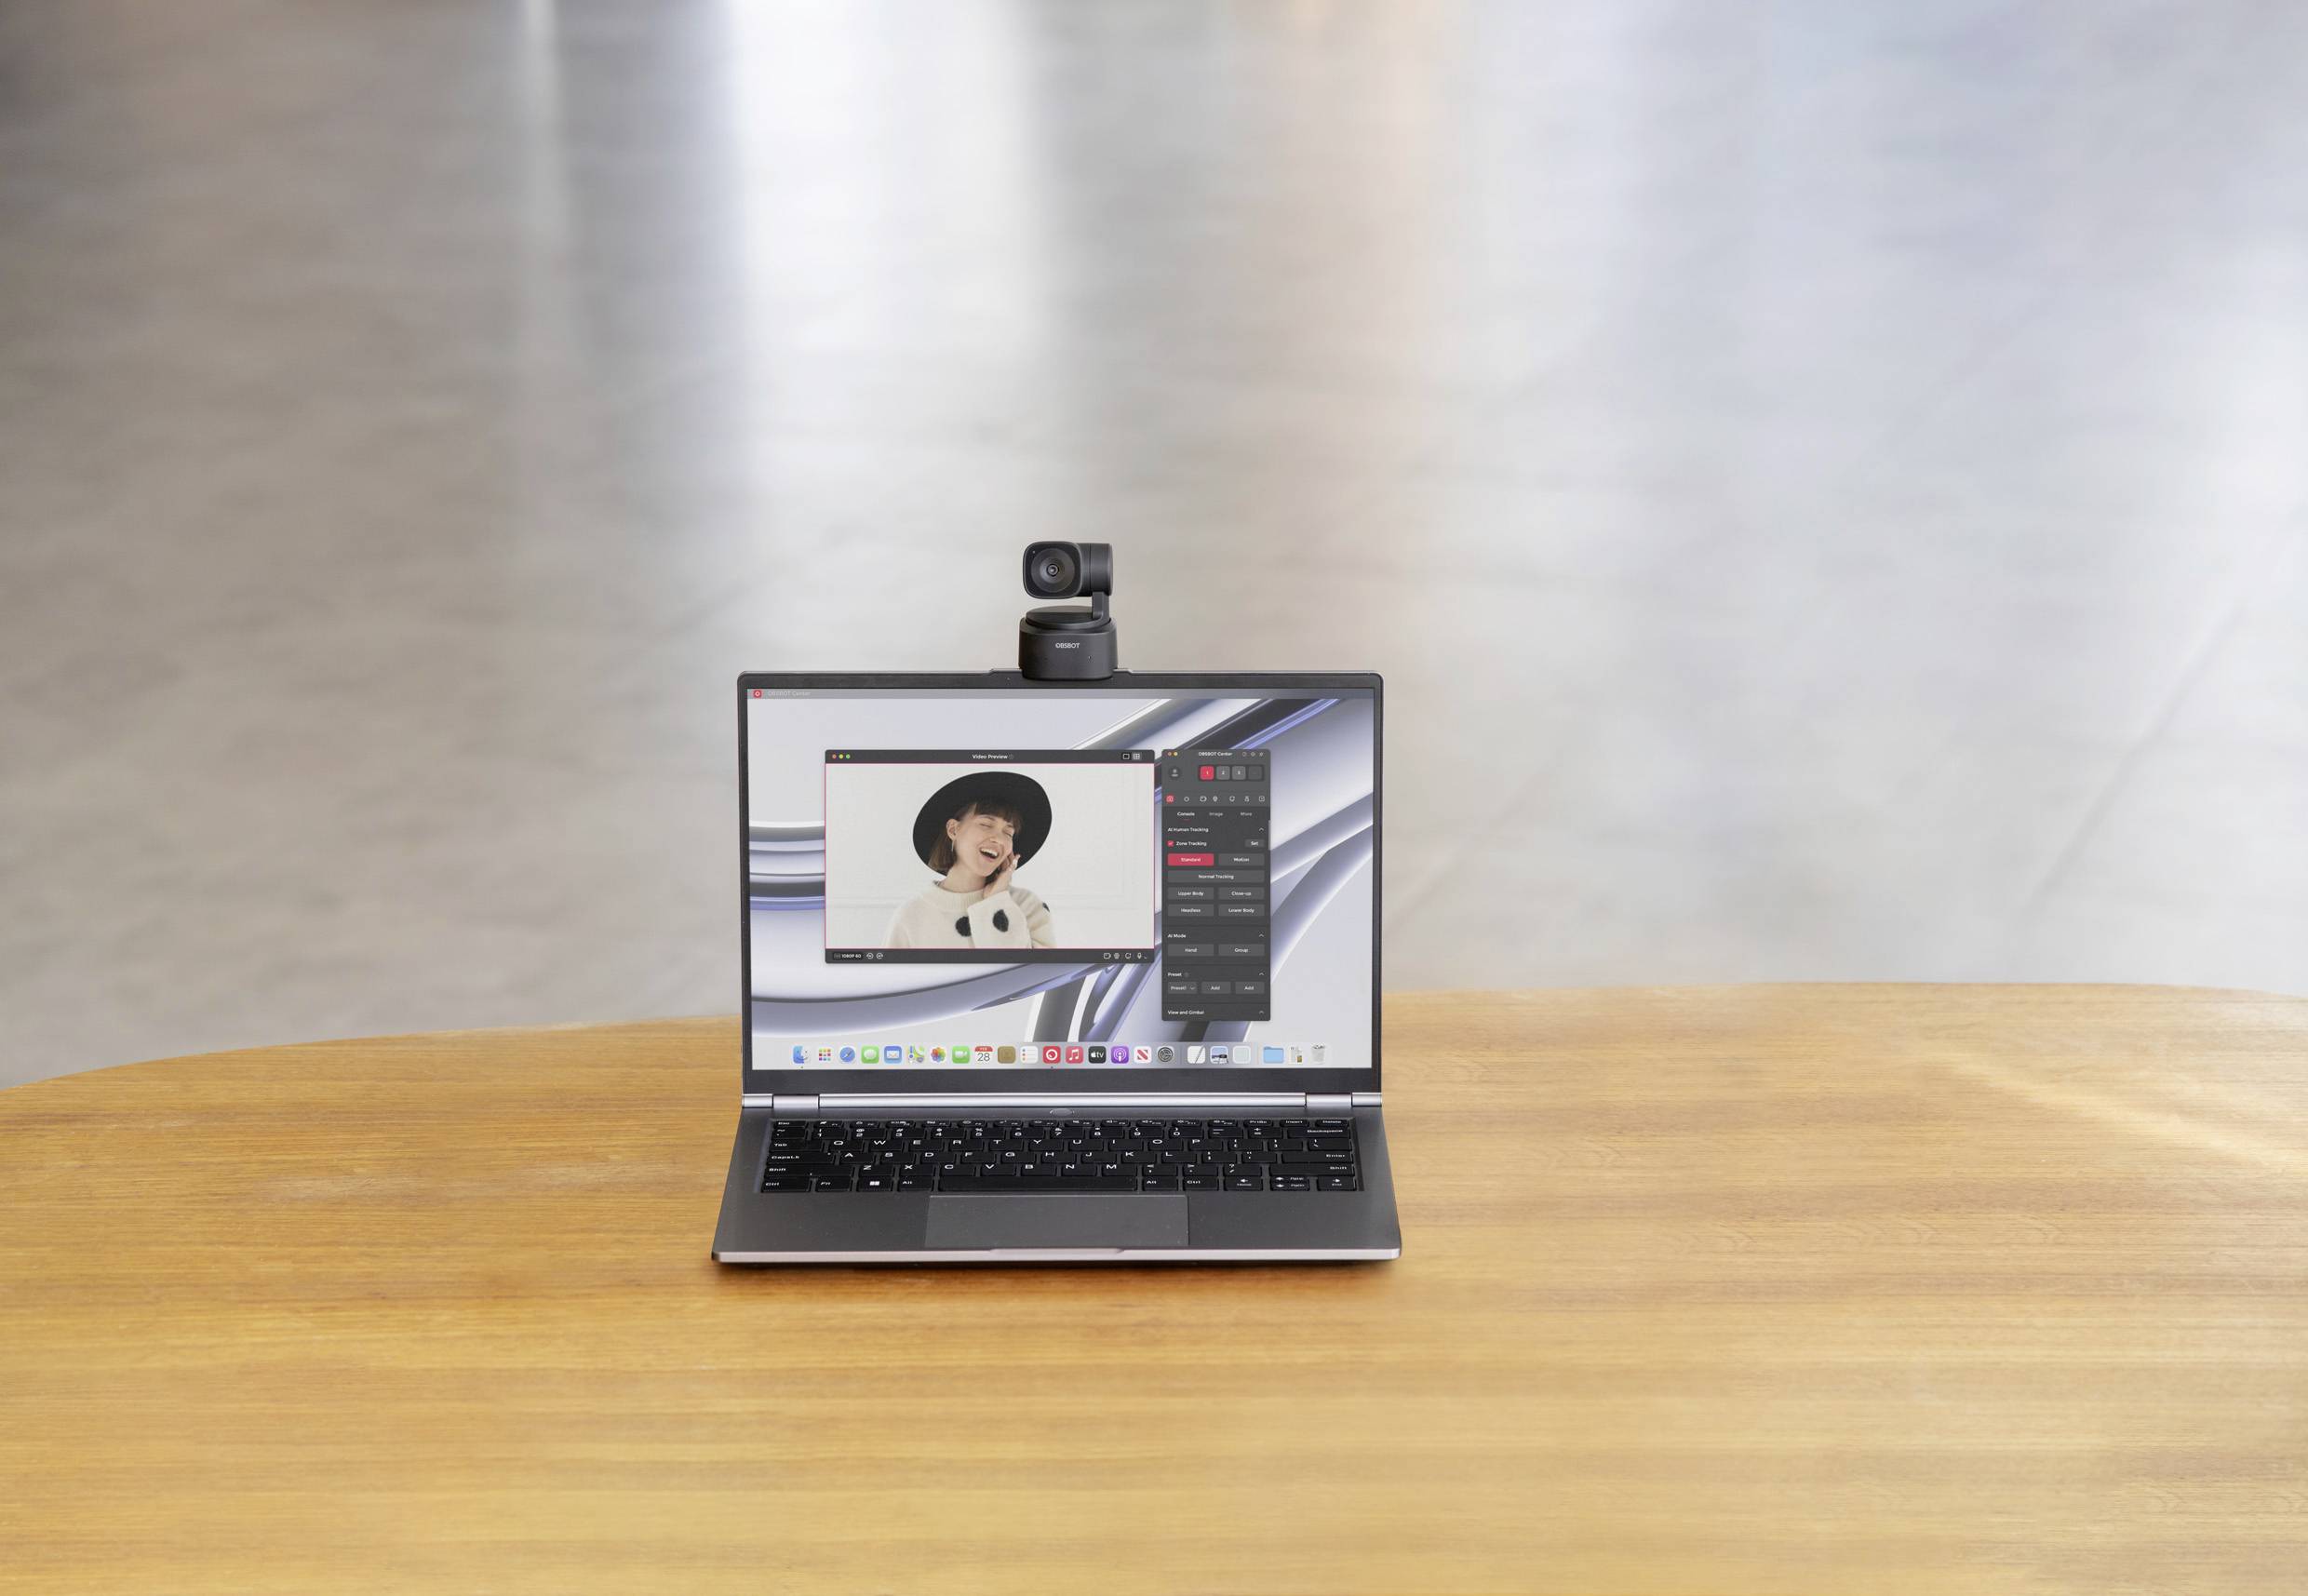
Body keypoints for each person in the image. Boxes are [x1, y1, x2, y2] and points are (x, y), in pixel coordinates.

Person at [884, 771, 1057, 949]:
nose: (998, 839)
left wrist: (996, 901)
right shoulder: (911, 917)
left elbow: (1029, 975)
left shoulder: (1028, 906)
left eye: (1008, 833)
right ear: (953, 830)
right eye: (986, 824)